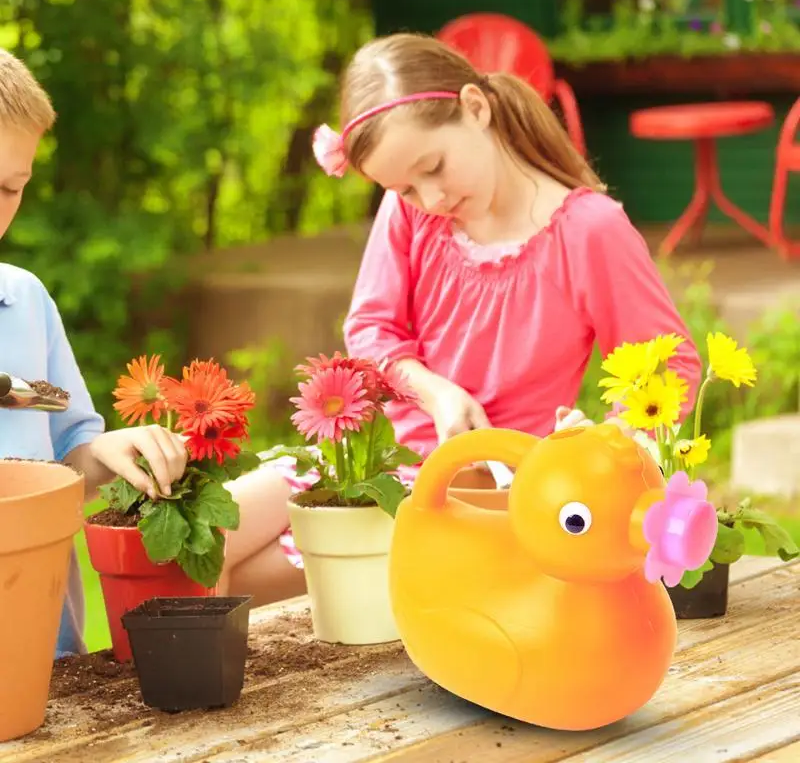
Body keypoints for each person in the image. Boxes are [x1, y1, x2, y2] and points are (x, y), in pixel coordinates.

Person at [266, 32, 701, 568]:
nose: (430, 199)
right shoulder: (411, 214)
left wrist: (601, 443)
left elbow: (669, 364)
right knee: (212, 528)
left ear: (475, 108)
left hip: (488, 496)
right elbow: (371, 328)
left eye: (432, 169)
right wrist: (434, 393)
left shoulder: (587, 232)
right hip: (381, 467)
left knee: (259, 575)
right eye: (404, 188)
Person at [0, 48, 303, 654]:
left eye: (11, 187)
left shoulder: (24, 303)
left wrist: (107, 453)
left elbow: (70, 461)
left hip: (49, 662)